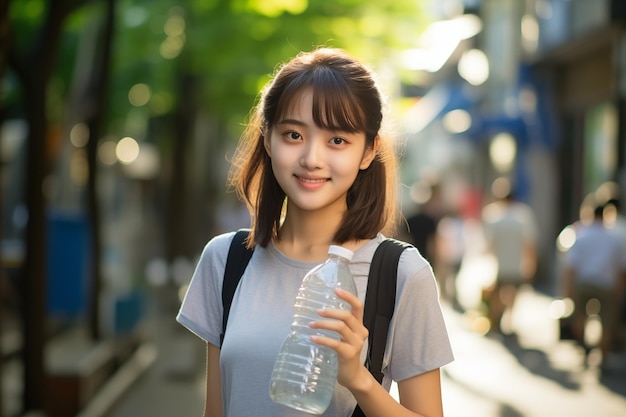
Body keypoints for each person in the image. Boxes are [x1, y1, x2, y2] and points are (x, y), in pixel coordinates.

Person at [176, 48, 454, 417]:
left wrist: (358, 378)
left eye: (337, 140)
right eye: (293, 134)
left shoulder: (401, 274)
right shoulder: (226, 260)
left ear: (368, 151)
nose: (311, 158)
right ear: (267, 138)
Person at [562, 202, 626, 368]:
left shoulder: (580, 236)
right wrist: (620, 289)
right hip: (607, 284)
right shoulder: (614, 239)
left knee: (580, 317)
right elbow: (621, 269)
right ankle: (602, 357)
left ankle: (584, 347)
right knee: (606, 323)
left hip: (584, 283)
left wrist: (568, 290)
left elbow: (571, 268)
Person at [481, 178, 538, 335]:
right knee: (513, 293)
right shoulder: (523, 214)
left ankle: (495, 322)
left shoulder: (492, 215)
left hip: (497, 263)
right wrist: (531, 262)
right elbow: (529, 242)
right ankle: (508, 321)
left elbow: (488, 243)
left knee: (497, 295)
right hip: (516, 263)